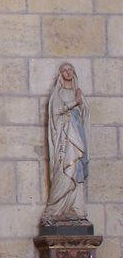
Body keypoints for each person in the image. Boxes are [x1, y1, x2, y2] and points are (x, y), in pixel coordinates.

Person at [42, 62, 89, 226]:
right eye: (65, 70)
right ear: (61, 74)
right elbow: (57, 111)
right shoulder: (59, 93)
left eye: (71, 70)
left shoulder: (77, 92)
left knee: (77, 171)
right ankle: (55, 209)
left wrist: (80, 104)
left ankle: (76, 209)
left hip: (77, 138)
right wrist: (75, 103)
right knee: (64, 170)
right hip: (65, 140)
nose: (68, 73)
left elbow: (84, 114)